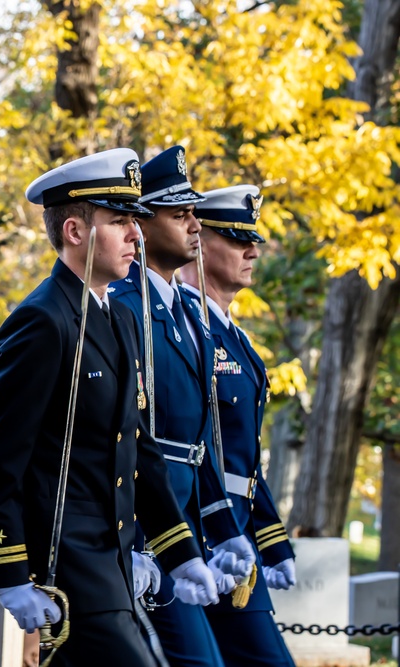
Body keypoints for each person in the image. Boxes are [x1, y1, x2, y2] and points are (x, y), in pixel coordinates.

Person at [0, 148, 217, 666]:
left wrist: (180, 552)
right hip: (68, 566)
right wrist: (11, 573)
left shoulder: (118, 318)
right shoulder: (43, 321)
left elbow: (139, 448)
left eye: (135, 221)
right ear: (76, 232)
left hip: (113, 563)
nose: (136, 234)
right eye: (120, 220)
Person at [111, 146, 256, 666]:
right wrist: (136, 540)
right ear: (143, 226)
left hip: (183, 528)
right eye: (181, 214)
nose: (196, 224)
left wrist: (222, 529)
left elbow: (201, 441)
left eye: (194, 212)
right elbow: (130, 437)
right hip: (146, 535)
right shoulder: (124, 305)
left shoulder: (186, 314)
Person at [180, 185, 297, 667]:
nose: (252, 250)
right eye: (235, 237)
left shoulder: (236, 336)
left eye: (253, 238)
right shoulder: (183, 324)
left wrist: (271, 539)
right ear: (199, 241)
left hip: (235, 541)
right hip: (199, 538)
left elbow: (246, 460)